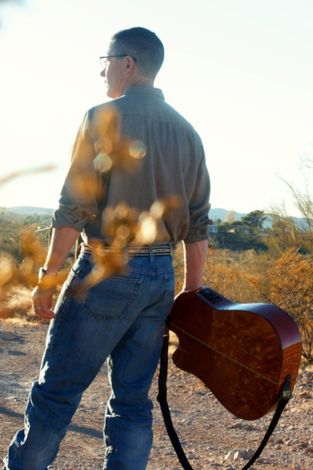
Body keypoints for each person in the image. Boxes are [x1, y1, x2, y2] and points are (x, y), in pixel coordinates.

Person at [3, 27, 210, 470]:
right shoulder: (188, 131)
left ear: (128, 63)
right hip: (160, 277)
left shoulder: (102, 117)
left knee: (56, 393)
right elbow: (198, 224)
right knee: (132, 401)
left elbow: (72, 208)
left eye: (106, 61)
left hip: (108, 268)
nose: (102, 71)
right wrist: (191, 296)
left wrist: (49, 276)